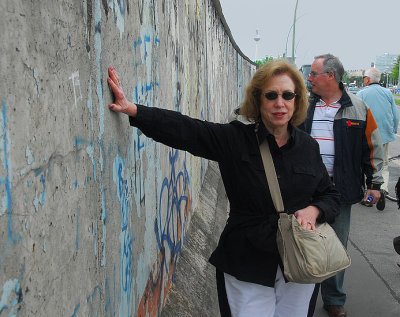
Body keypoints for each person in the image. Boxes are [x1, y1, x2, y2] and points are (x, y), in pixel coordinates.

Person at [107, 59, 340, 317]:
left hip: (300, 264)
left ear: (297, 100)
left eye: (287, 95)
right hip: (247, 262)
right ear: (258, 99)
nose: (279, 103)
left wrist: (313, 210)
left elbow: (329, 195)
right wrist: (134, 110)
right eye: (271, 95)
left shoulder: (308, 146)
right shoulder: (235, 139)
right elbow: (187, 130)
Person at [302, 54, 384, 317]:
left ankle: (333, 298)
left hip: (339, 190)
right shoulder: (303, 105)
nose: (309, 78)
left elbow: (372, 148)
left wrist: (375, 183)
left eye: (314, 74)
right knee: (300, 243)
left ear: (331, 77)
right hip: (303, 188)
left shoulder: (358, 109)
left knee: (335, 246)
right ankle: (299, 295)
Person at [357, 68, 399, 210]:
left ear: (368, 79)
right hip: (384, 134)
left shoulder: (361, 93)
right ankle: (382, 190)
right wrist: (393, 130)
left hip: (366, 136)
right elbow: (395, 114)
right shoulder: (387, 93)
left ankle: (369, 198)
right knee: (384, 164)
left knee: (366, 165)